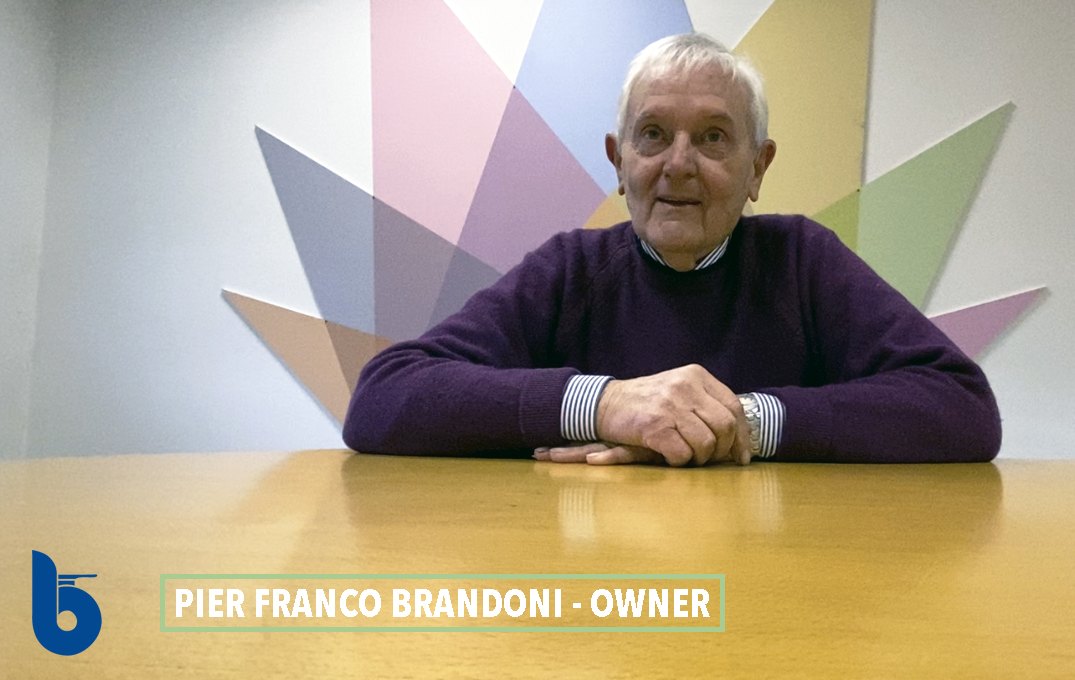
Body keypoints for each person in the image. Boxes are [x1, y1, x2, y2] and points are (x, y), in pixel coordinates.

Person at [343, 33, 1001, 466]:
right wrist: (604, 407)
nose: (678, 164)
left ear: (757, 167)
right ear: (618, 161)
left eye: (712, 137)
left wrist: (739, 423)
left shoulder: (803, 260)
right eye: (653, 134)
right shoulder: (568, 269)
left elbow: (962, 406)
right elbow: (383, 397)